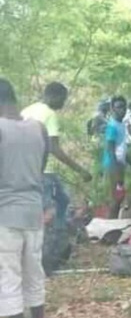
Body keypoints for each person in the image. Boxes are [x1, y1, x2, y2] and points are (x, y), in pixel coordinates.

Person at [0, 77, 51, 318]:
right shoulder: (38, 128)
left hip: (5, 213)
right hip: (34, 209)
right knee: (34, 269)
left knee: (8, 274)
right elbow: (41, 167)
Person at [22, 81, 92, 225]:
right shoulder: (50, 114)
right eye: (63, 99)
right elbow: (54, 148)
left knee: (63, 200)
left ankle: (59, 231)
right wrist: (80, 170)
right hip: (44, 170)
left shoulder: (27, 110)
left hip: (25, 167)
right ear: (55, 96)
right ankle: (50, 234)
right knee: (49, 209)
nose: (63, 103)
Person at [103, 95, 131, 217]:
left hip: (120, 164)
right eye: (118, 107)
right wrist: (116, 172)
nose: (122, 110)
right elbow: (110, 150)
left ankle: (114, 221)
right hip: (113, 165)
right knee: (116, 198)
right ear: (112, 109)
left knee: (119, 197)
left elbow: (122, 148)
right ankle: (110, 223)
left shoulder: (121, 124)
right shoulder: (112, 127)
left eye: (123, 107)